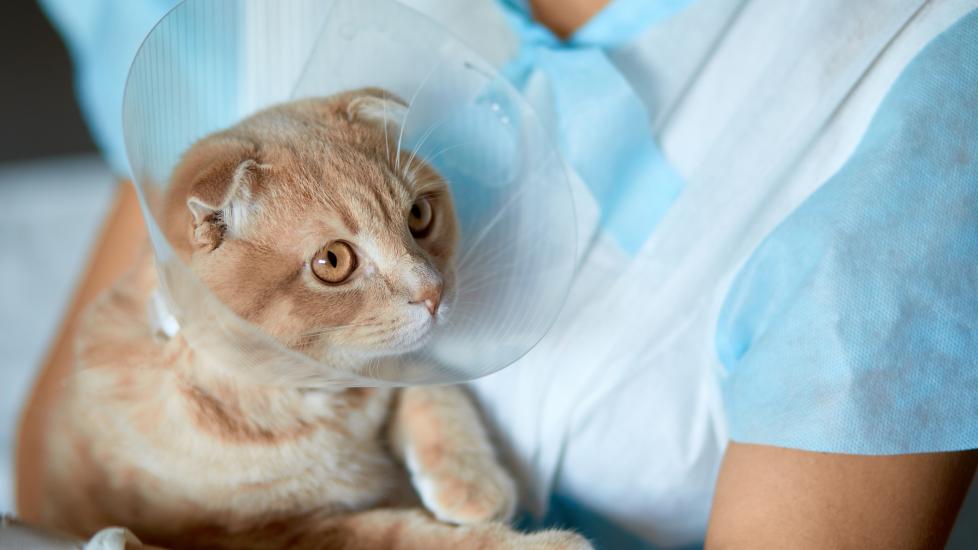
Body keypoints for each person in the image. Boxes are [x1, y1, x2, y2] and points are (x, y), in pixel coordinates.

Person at [20, 0, 978, 548]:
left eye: (418, 223)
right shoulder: (242, 41)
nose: (430, 290)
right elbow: (55, 466)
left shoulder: (924, 101)